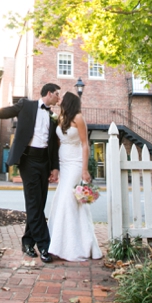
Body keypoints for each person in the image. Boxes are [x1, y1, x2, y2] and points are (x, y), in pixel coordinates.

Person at [0, 83, 61, 263]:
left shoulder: (53, 116)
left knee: (39, 202)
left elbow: (53, 145)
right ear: (49, 93)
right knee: (33, 202)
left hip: (44, 161)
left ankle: (27, 242)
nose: (59, 98)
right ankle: (44, 246)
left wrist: (54, 167)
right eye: (57, 95)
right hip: (28, 159)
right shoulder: (26, 105)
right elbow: (6, 111)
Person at [47, 91, 102, 262]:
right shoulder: (60, 118)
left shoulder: (78, 118)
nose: (60, 99)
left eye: (63, 98)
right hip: (63, 163)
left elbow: (86, 145)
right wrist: (55, 168)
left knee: (68, 200)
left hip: (76, 163)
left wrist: (85, 169)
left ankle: (70, 247)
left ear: (70, 101)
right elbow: (57, 144)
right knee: (63, 200)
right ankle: (59, 243)